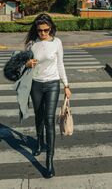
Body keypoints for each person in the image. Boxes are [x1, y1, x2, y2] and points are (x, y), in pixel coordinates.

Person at [25, 13, 71, 178]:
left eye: (46, 30)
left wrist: (66, 85)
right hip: (36, 84)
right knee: (39, 116)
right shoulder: (32, 44)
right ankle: (39, 142)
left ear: (51, 28)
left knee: (49, 121)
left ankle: (49, 160)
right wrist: (27, 63)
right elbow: (25, 64)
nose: (43, 33)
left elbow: (60, 64)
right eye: (40, 31)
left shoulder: (57, 42)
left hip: (52, 84)